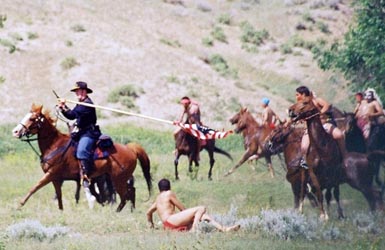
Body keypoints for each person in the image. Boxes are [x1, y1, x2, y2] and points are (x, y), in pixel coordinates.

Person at [146, 178, 240, 232]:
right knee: (201, 208)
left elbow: (148, 213)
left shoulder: (158, 199)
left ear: (159, 189)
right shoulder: (169, 193)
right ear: (169, 187)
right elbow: (182, 209)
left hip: (167, 225)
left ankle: (224, 229)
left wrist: (151, 226)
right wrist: (191, 216)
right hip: (172, 220)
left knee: (204, 216)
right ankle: (194, 229)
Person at [58, 81, 101, 188]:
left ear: (85, 92)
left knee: (82, 150)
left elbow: (72, 115)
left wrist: (64, 106)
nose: (79, 94)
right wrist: (63, 108)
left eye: (81, 91)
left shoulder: (87, 104)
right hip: (81, 132)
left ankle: (86, 175)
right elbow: (71, 114)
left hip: (89, 133)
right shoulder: (80, 103)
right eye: (77, 92)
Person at [293, 86, 344, 169]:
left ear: (303, 94)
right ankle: (304, 161)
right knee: (304, 147)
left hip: (324, 124)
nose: (296, 97)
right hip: (310, 128)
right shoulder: (301, 105)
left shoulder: (316, 100)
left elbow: (326, 105)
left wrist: (320, 113)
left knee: (339, 135)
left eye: (297, 94)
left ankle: (344, 155)